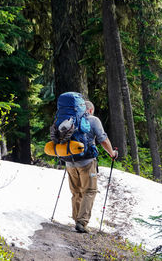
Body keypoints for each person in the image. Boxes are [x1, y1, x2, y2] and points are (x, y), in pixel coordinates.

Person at [65, 100, 117, 233]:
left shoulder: (69, 119)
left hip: (69, 161)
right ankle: (81, 222)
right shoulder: (93, 120)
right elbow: (103, 139)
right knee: (89, 191)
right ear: (90, 110)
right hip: (87, 162)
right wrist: (112, 153)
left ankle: (77, 219)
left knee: (76, 191)